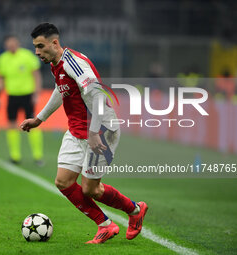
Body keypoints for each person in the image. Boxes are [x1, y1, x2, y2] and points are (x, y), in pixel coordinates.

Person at [20, 23, 148, 244]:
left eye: (40, 46)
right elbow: (61, 90)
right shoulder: (56, 64)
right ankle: (105, 225)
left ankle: (135, 210)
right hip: (77, 130)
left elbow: (98, 95)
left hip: (101, 130)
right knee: (63, 182)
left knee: (91, 189)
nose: (37, 52)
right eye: (35, 47)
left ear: (55, 43)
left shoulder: (74, 63)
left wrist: (94, 132)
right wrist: (39, 118)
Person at [0, 35, 44, 166]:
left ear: (17, 43)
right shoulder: (3, 58)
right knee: (11, 124)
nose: (10, 46)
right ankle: (15, 156)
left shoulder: (27, 56)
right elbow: (1, 78)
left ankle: (37, 156)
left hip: (27, 95)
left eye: (12, 43)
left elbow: (36, 75)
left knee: (32, 124)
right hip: (12, 96)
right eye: (8, 44)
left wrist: (36, 93)